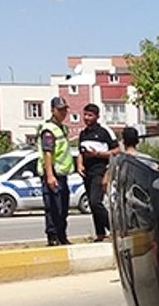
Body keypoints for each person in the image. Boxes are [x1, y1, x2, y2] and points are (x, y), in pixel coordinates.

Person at [75, 103, 118, 242]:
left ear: (97, 116)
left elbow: (117, 150)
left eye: (90, 115)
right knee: (92, 204)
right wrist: (79, 165)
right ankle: (100, 233)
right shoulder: (83, 134)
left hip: (100, 170)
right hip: (87, 172)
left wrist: (98, 154)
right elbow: (80, 152)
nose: (86, 118)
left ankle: (114, 228)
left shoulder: (105, 131)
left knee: (95, 202)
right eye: (85, 115)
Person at [38, 96, 74, 246]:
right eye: (60, 110)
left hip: (62, 174)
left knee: (63, 208)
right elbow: (48, 153)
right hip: (52, 173)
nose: (63, 112)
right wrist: (50, 175)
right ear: (53, 110)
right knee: (53, 207)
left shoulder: (62, 128)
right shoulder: (48, 130)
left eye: (65, 109)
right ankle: (53, 236)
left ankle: (62, 235)